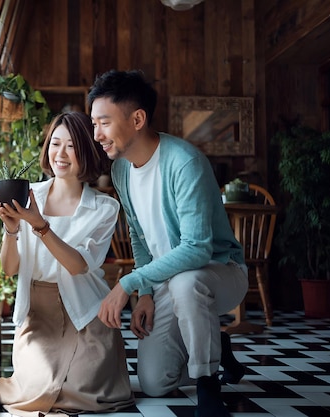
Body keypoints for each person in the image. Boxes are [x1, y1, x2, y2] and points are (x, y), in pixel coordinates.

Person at [89, 69, 247, 417]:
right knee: (155, 382)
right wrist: (145, 293)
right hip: (167, 283)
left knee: (187, 281)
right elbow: (139, 237)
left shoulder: (184, 162)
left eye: (104, 122)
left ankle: (208, 385)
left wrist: (129, 283)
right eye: (94, 123)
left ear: (138, 119)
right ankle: (215, 340)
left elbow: (197, 249)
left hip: (219, 272)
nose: (97, 134)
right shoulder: (121, 171)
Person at [0, 111, 134, 416]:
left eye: (72, 146)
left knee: (89, 392)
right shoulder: (27, 197)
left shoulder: (105, 207)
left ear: (87, 152)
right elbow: (9, 269)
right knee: (35, 390)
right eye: (55, 144)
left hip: (86, 312)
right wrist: (12, 228)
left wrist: (40, 225)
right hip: (39, 315)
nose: (61, 154)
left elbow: (79, 266)